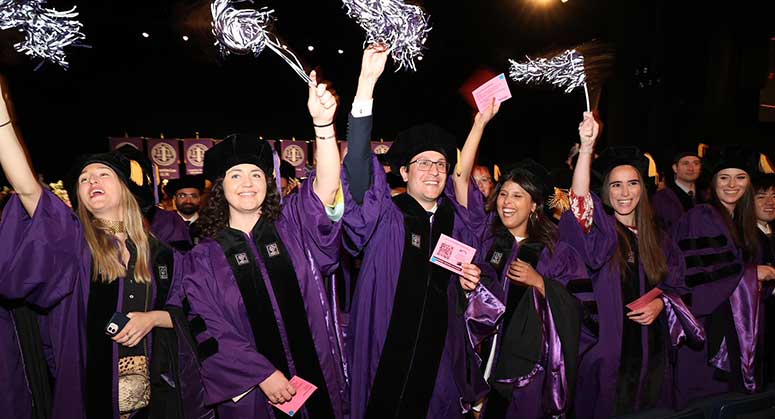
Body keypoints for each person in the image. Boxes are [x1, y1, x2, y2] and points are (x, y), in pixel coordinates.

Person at [0, 83, 200, 419]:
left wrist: (152, 319)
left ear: (124, 188)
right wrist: (2, 121)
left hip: (155, 398)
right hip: (89, 392)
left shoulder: (162, 255)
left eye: (103, 174)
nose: (92, 181)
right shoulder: (74, 244)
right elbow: (28, 191)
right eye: (84, 179)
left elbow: (194, 311)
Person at [342, 44, 502, 419]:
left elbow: (465, 182)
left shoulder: (455, 222)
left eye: (441, 164)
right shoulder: (385, 214)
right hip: (386, 342)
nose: (434, 171)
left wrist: (469, 283)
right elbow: (360, 164)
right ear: (404, 172)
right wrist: (366, 84)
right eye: (423, 163)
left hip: (439, 353)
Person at [176, 71, 347, 418]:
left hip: (316, 376)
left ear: (268, 184)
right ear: (220, 188)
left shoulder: (293, 230)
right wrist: (262, 373)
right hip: (253, 392)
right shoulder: (202, 258)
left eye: (255, 174)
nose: (247, 183)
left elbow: (326, 188)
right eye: (235, 175)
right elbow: (208, 327)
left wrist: (323, 125)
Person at [561, 114, 704, 418]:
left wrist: (662, 304)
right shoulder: (602, 235)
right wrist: (587, 148)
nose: (624, 193)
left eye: (632, 184)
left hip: (654, 355)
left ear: (643, 188)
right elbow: (579, 207)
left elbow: (677, 286)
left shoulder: (661, 240)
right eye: (616, 185)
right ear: (606, 191)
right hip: (609, 356)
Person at [471, 160, 587, 419]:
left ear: (534, 205)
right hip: (485, 361)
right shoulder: (488, 244)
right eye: (502, 194)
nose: (506, 202)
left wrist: (540, 283)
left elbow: (582, 308)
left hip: (530, 371)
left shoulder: (557, 251)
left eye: (517, 196)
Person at [672, 145, 775, 406]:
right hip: (709, 331)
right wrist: (753, 274)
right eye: (724, 177)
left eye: (740, 177)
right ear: (714, 182)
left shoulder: (743, 222)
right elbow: (700, 277)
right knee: (707, 400)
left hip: (737, 326)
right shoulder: (702, 216)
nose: (732, 185)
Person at [752, 174, 775, 387]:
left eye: (774, 196)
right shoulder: (745, 239)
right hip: (760, 321)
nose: (770, 202)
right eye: (761, 197)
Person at [652, 147, 703, 232]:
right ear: (675, 168)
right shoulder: (660, 198)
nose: (691, 168)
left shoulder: (707, 197)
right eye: (685, 163)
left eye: (696, 163)